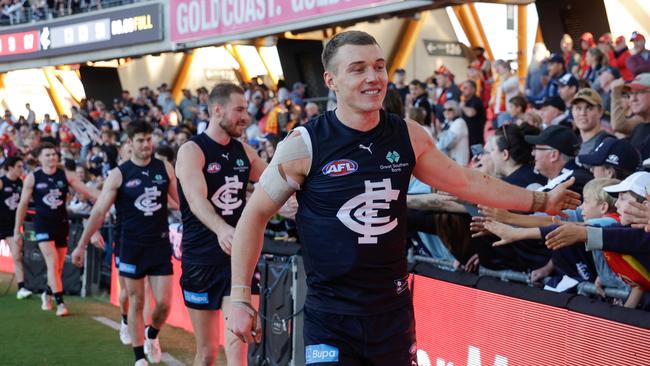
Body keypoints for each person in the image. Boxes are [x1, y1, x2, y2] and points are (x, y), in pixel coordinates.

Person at [226, 30, 581, 365]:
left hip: (392, 314)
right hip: (331, 317)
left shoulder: (407, 136)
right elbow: (254, 216)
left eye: (379, 67)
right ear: (331, 81)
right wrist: (241, 296)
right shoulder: (303, 144)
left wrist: (540, 201)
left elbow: (468, 182)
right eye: (358, 69)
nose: (373, 77)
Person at [71, 121, 179, 366]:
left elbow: (183, 202)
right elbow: (99, 211)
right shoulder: (119, 174)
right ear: (130, 143)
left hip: (159, 245)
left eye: (149, 139)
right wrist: (81, 244)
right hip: (131, 246)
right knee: (137, 300)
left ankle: (152, 334)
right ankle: (139, 356)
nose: (146, 144)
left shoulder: (165, 168)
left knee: (164, 303)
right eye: (140, 140)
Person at [175, 83, 266, 366]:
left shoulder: (246, 153)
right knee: (207, 354)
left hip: (238, 260)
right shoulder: (192, 150)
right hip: (201, 259)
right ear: (217, 110)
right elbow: (195, 199)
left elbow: (277, 186)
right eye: (239, 109)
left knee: (238, 346)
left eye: (247, 110)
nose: (246, 117)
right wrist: (222, 228)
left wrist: (292, 204)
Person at [13, 142, 99, 316]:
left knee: (58, 266)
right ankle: (60, 303)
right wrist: (17, 230)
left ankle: (48, 292)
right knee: (52, 261)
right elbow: (22, 204)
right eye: (47, 155)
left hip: (61, 223)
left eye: (53, 154)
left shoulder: (65, 175)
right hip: (42, 225)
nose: (52, 157)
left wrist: (110, 195)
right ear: (39, 158)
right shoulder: (33, 177)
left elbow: (86, 190)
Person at [1, 157, 32, 300]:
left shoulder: (21, 183)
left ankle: (21, 288)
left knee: (18, 256)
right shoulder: (2, 182)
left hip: (11, 227)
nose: (22, 169)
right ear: (11, 168)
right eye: (19, 166)